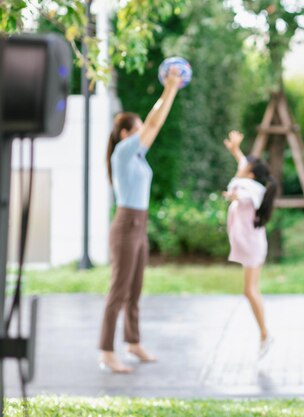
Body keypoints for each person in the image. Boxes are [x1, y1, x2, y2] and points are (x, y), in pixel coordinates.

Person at [98, 68, 183, 373]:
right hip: (126, 225)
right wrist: (169, 89)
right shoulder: (122, 152)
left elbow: (153, 127)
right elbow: (154, 122)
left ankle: (133, 342)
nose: (142, 134)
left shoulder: (137, 157)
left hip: (140, 224)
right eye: (136, 130)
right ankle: (107, 351)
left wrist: (171, 91)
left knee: (134, 289)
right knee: (118, 291)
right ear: (125, 135)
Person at [223, 130, 277, 357]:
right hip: (252, 244)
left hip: (253, 247)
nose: (242, 166)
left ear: (251, 174)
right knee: (250, 290)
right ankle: (264, 333)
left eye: (246, 166)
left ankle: (265, 333)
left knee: (250, 290)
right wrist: (235, 150)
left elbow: (244, 195)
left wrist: (234, 197)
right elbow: (242, 164)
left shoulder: (251, 189)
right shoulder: (249, 182)